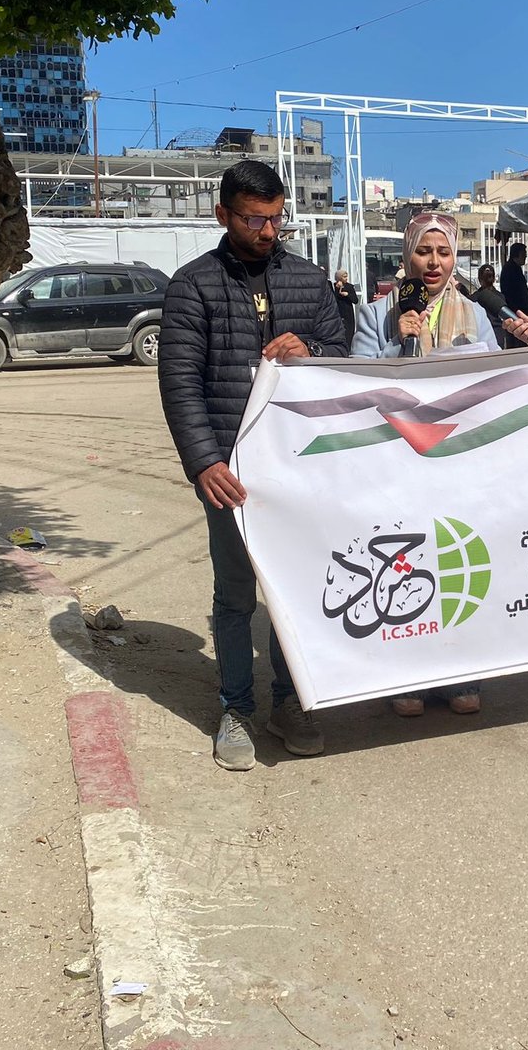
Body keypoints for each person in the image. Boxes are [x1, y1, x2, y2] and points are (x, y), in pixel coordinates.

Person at [159, 160, 349, 771]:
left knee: (296, 588)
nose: (268, 231)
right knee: (237, 595)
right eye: (253, 219)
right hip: (230, 474)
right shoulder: (193, 286)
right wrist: (203, 462)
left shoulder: (309, 281)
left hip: (298, 468)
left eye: (275, 218)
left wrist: (310, 347)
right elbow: (180, 383)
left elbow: (340, 351)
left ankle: (290, 702)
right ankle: (236, 707)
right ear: (223, 214)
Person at [352, 212, 528, 716]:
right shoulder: (376, 314)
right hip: (398, 459)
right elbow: (357, 387)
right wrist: (396, 340)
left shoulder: (476, 314)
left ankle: (461, 674)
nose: (433, 263)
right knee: (409, 563)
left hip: (460, 459)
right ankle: (407, 678)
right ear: (407, 255)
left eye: (442, 252)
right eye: (423, 251)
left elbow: (492, 382)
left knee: (458, 559)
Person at [473, 263, 510, 347]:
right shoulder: (501, 296)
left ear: (479, 279)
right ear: (493, 279)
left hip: (481, 336)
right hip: (498, 334)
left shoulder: (474, 298)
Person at [500, 241, 528, 326]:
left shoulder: (515, 268)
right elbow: (513, 293)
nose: (525, 256)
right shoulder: (510, 269)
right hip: (516, 313)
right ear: (516, 255)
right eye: (523, 254)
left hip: (519, 312)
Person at [331, 268, 358, 347]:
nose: (346, 278)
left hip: (348, 312)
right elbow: (333, 299)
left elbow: (355, 300)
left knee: (349, 331)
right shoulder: (333, 286)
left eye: (346, 276)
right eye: (344, 277)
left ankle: (348, 347)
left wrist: (348, 295)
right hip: (338, 312)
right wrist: (337, 289)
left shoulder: (349, 287)